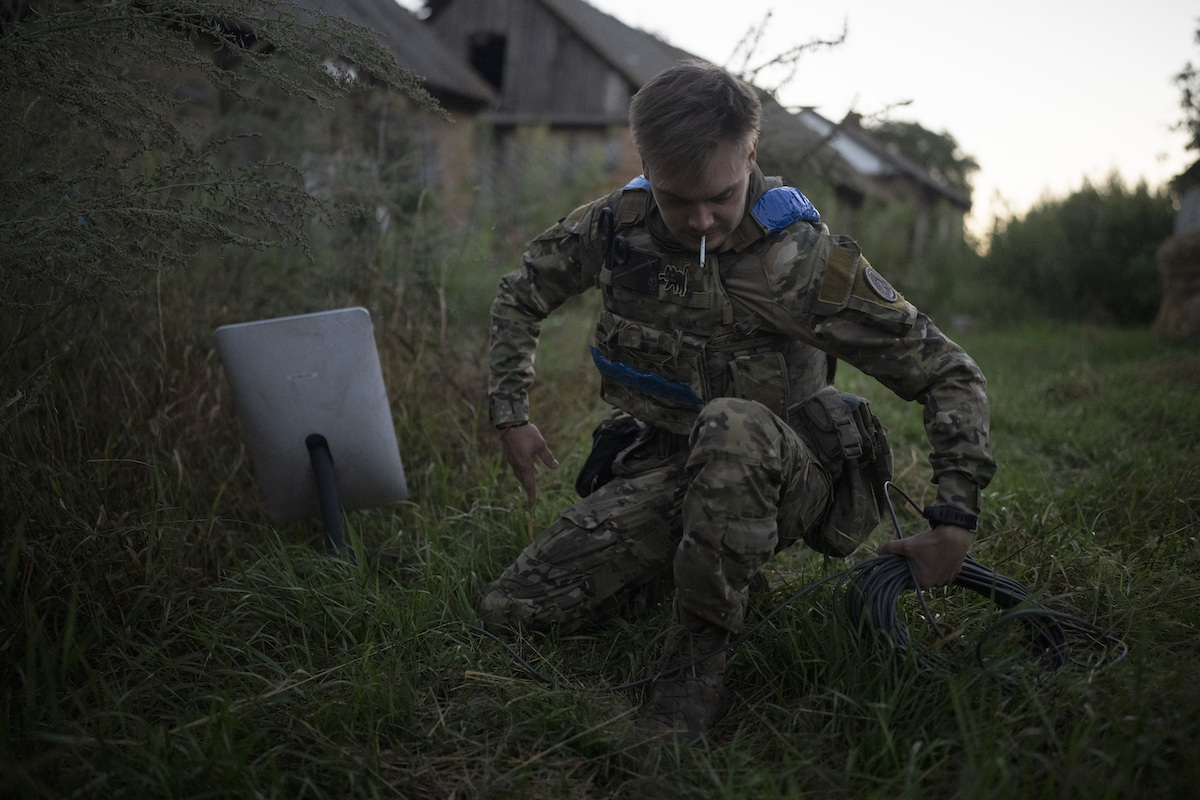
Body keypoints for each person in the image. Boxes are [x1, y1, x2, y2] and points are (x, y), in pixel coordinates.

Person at [478, 60, 994, 740]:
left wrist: (954, 520)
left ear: (751, 154)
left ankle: (689, 684)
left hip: (788, 473)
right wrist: (510, 412)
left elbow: (948, 372)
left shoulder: (799, 263)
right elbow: (523, 291)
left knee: (732, 426)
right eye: (676, 198)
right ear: (646, 167)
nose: (699, 221)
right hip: (670, 463)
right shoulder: (615, 228)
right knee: (515, 608)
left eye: (719, 197)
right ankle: (700, 565)